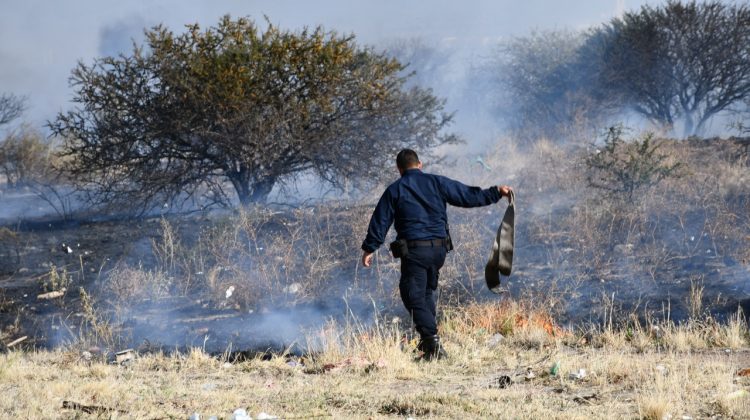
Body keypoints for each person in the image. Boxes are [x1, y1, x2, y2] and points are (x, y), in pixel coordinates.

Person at [361, 149, 513, 360]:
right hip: (439, 251)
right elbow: (467, 196)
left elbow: (381, 220)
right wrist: (496, 192)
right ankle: (427, 345)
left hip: (415, 251)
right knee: (425, 293)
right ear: (420, 164)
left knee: (412, 294)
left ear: (399, 169)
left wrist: (370, 247)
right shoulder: (437, 182)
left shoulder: (395, 189)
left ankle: (432, 341)